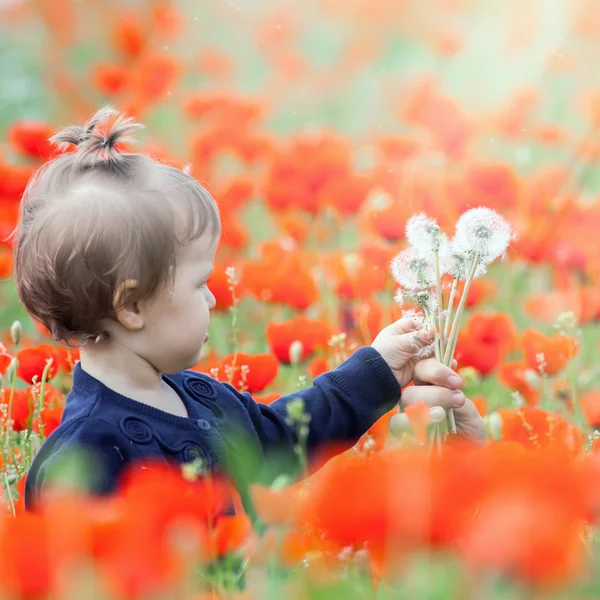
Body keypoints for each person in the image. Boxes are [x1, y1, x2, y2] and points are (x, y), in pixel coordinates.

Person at [13, 107, 485, 512]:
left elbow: (286, 440)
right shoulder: (85, 456)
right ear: (132, 305)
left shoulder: (202, 398)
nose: (214, 299)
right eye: (200, 284)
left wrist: (378, 369)